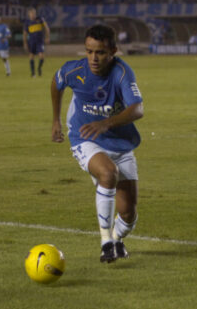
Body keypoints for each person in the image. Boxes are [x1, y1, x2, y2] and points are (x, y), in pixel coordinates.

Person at [51, 25, 144, 263]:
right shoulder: (75, 70)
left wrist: (106, 123)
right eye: (89, 51)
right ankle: (106, 244)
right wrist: (56, 120)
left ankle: (117, 238)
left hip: (120, 143)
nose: (93, 58)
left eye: (100, 52)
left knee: (129, 215)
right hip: (85, 138)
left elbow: (137, 109)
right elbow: (57, 82)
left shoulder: (122, 73)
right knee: (108, 173)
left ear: (113, 51)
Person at [23, 7, 50, 77]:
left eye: (34, 13)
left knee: (41, 56)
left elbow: (47, 28)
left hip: (40, 41)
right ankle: (33, 73)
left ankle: (39, 68)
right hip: (31, 42)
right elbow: (25, 34)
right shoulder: (27, 22)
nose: (33, 15)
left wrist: (47, 37)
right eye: (31, 13)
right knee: (31, 57)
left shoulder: (40, 19)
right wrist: (25, 43)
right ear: (29, 14)